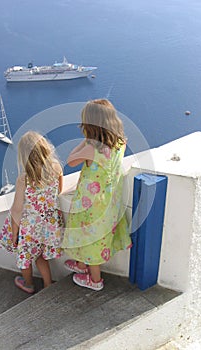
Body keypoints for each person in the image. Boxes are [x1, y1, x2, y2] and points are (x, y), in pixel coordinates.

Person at [62, 99, 132, 291]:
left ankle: (95, 281)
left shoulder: (91, 149)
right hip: (108, 203)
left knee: (90, 240)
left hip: (90, 206)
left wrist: (86, 141)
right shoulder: (119, 143)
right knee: (96, 237)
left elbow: (71, 161)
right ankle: (82, 264)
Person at [0, 131, 64, 293]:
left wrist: (14, 234)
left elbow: (17, 209)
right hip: (49, 225)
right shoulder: (56, 167)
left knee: (25, 259)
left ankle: (28, 284)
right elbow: (59, 191)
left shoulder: (24, 179)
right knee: (40, 255)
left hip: (29, 229)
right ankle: (48, 284)